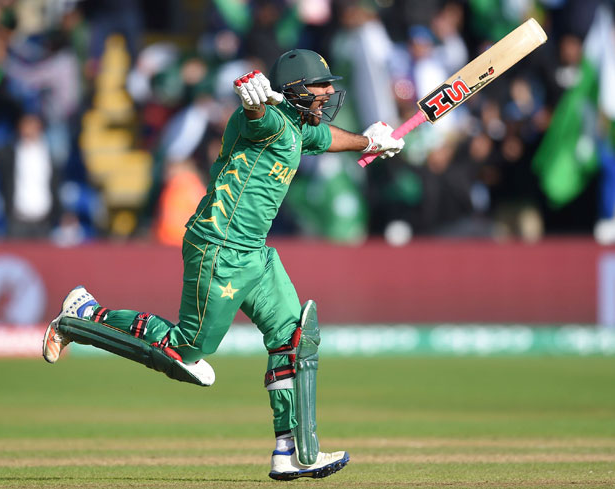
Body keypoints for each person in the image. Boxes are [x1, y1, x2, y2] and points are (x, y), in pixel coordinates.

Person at [42, 48, 404, 480]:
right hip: (219, 248)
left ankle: (293, 452)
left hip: (253, 253)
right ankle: (81, 316)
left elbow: (325, 140)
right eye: (320, 86)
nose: (328, 93)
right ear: (292, 90)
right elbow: (255, 115)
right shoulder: (267, 122)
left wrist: (370, 141)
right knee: (186, 351)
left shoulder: (295, 128)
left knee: (294, 335)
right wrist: (252, 97)